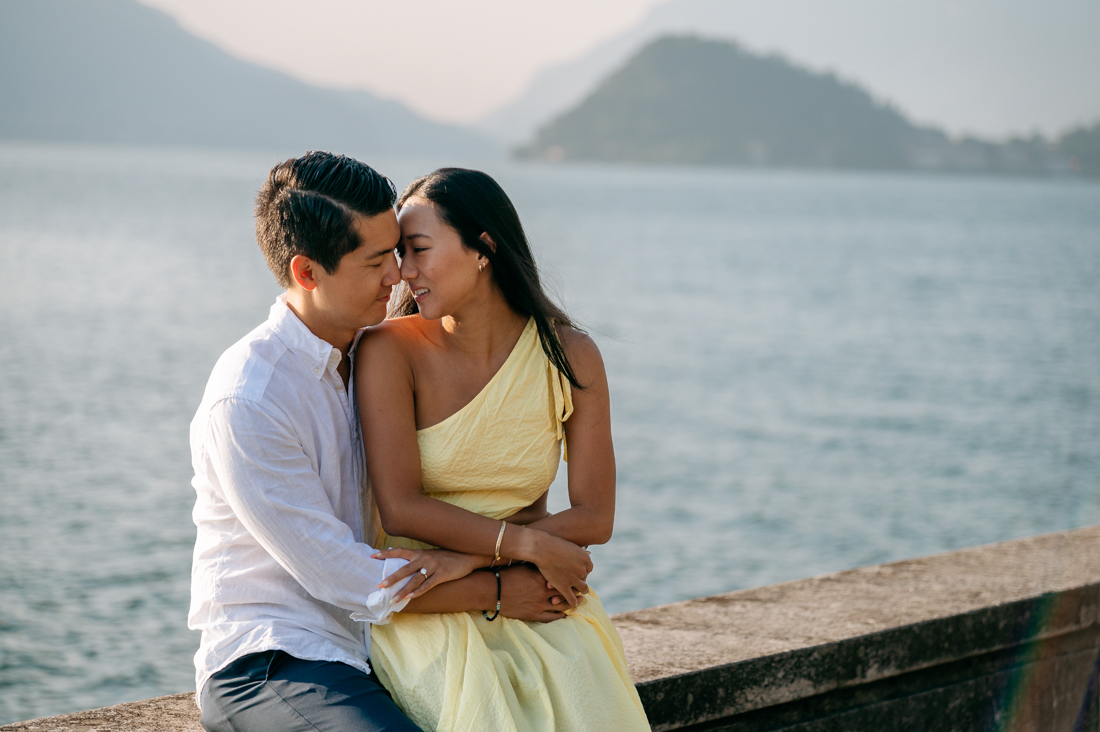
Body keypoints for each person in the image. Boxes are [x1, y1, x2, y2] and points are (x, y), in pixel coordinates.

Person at [189, 152, 566, 732]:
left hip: (383, 643)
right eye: (374, 263)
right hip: (277, 658)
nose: (398, 276)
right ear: (307, 272)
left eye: (397, 252)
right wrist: (496, 585)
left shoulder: (376, 354)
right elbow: (341, 574)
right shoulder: (250, 397)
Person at [356, 168, 652, 731]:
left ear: (483, 248)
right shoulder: (389, 351)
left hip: (532, 587)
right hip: (422, 600)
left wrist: (473, 558)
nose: (402, 272)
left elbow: (596, 515)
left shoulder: (570, 354)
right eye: (398, 254)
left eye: (417, 250)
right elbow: (400, 508)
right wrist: (515, 550)